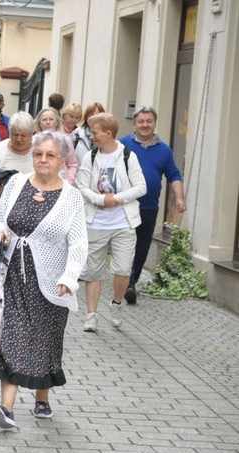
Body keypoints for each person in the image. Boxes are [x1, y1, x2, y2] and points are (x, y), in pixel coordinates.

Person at [0, 131, 88, 429]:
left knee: (46, 341)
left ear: (62, 161)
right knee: (11, 335)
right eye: (38, 154)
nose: (42, 160)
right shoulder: (16, 183)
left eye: (49, 155)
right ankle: (6, 409)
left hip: (51, 281)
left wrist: (70, 278)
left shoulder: (71, 197)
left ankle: (42, 396)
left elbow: (79, 243)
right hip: (13, 275)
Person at [76, 113, 146, 332]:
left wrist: (117, 198)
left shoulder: (127, 156)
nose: (91, 135)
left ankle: (116, 304)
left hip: (123, 224)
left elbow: (141, 187)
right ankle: (91, 315)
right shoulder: (91, 156)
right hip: (96, 223)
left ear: (107, 133)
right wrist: (100, 199)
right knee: (92, 272)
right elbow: (82, 186)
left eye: (94, 131)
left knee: (124, 269)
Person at [120, 106, 186, 304]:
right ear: (135, 123)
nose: (145, 125)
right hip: (124, 206)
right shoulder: (122, 144)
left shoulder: (164, 149)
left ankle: (132, 281)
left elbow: (173, 174)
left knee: (141, 249)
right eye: (141, 121)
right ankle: (128, 284)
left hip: (149, 207)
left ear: (155, 123)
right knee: (126, 246)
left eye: (149, 121)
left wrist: (180, 198)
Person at [34, 107, 78, 184]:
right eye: (44, 120)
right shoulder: (34, 141)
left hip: (61, 182)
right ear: (39, 123)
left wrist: (68, 182)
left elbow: (73, 164)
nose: (48, 122)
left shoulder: (66, 140)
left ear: (57, 122)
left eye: (51, 119)